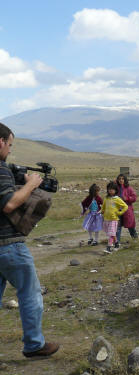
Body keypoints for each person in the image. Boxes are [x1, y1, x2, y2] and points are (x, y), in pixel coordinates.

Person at [0, 122, 60, 357]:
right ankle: (34, 344)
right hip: (9, 246)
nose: (10, 150)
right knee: (29, 293)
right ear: (1, 142)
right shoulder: (1, 170)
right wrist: (32, 184)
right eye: (10, 145)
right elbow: (9, 204)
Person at [101, 181, 128, 254]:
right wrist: (101, 211)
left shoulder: (117, 199)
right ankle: (116, 244)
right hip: (106, 219)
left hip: (114, 219)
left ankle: (108, 248)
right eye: (109, 189)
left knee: (110, 234)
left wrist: (120, 212)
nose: (110, 190)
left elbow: (125, 206)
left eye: (112, 189)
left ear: (115, 190)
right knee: (112, 234)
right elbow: (103, 207)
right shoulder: (106, 198)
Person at [115, 173, 138, 247]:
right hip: (118, 210)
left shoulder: (129, 188)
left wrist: (127, 198)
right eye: (119, 179)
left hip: (127, 210)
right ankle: (117, 242)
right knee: (117, 226)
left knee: (130, 225)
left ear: (125, 180)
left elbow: (134, 198)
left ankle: (135, 239)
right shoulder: (116, 189)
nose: (121, 180)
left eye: (122, 179)